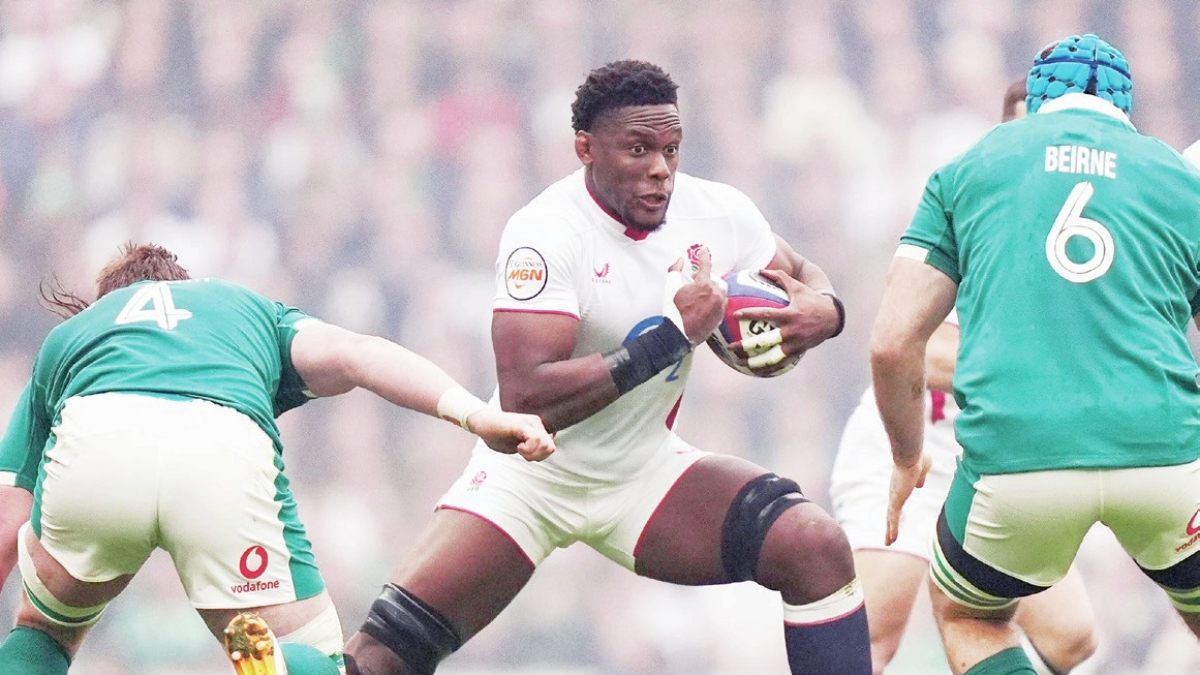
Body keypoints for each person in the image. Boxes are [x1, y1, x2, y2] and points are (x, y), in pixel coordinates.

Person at [342, 59, 870, 675]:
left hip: (643, 471)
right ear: (585, 149)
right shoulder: (544, 233)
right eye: (638, 150)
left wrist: (826, 312)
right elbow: (525, 400)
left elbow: (804, 274)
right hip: (530, 479)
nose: (661, 171)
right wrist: (673, 336)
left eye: (671, 149)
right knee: (381, 659)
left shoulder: (718, 212)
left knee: (814, 547)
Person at [0, 243, 556, 675]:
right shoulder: (246, 309)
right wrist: (475, 416)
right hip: (217, 448)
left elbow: (7, 521)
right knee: (313, 656)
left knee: (44, 630)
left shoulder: (73, 338)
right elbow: (361, 354)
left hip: (99, 441)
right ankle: (279, 665)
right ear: (186, 284)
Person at [871, 33, 1200, 675]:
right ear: (1126, 109)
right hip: (1163, 449)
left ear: (1038, 98)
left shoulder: (968, 167)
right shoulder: (1179, 179)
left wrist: (907, 456)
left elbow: (890, 343)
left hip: (1017, 461)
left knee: (967, 613)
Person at [830, 79, 1097, 674]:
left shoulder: (1089, 232)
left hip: (1005, 457)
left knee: (1071, 639)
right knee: (872, 636)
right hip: (915, 447)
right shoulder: (965, 209)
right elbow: (916, 352)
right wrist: (1037, 369)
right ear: (1005, 136)